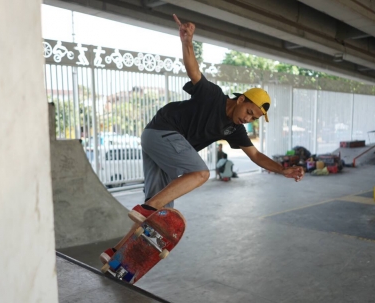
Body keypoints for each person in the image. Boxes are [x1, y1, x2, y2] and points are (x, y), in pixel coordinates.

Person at [100, 14, 305, 263]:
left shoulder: (235, 129)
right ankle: (147, 208)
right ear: (241, 100)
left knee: (159, 212)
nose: (248, 119)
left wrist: (282, 170)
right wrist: (187, 41)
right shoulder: (213, 96)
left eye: (254, 119)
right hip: (162, 131)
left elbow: (256, 155)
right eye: (249, 112)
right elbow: (194, 71)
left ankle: (116, 255)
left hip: (159, 145)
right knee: (200, 173)